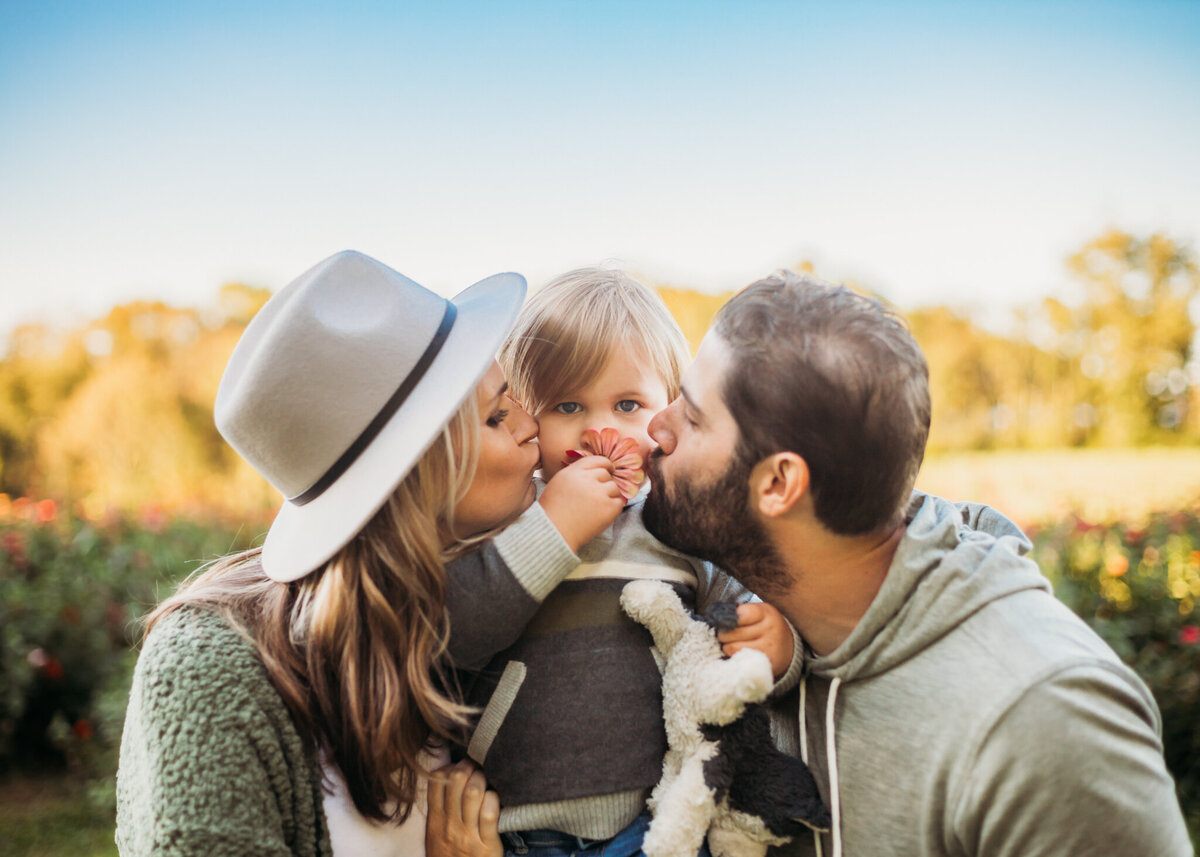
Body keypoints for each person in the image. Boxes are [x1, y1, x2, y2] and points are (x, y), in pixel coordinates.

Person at [640, 270, 1193, 857]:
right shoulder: (739, 620)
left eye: (694, 417)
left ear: (779, 484)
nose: (656, 425)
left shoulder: (1043, 722)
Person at [114, 251, 624, 856]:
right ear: (413, 482)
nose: (529, 423)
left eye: (509, 395)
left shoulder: (497, 599)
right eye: (493, 417)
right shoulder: (210, 673)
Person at [443, 268, 804, 856]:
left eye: (628, 404)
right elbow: (451, 637)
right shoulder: (508, 518)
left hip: (654, 820)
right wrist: (552, 528)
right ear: (531, 416)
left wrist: (779, 651)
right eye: (567, 405)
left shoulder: (675, 525)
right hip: (514, 825)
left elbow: (740, 615)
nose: (598, 429)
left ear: (665, 415)